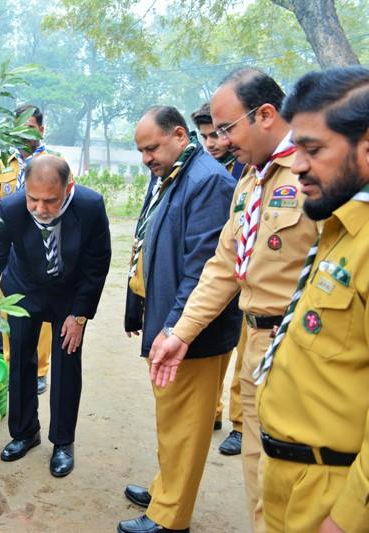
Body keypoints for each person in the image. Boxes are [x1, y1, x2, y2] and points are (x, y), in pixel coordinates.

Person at [149, 69, 319, 533]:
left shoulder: (314, 172)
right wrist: (180, 332)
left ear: (264, 115)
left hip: (300, 349)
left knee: (298, 482)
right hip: (256, 345)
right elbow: (224, 265)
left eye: (226, 128)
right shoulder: (249, 181)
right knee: (259, 474)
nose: (219, 141)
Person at [251, 65, 369, 533]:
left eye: (313, 150)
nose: (297, 165)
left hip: (334, 492)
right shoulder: (339, 225)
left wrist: (349, 516)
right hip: (289, 476)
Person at [118, 106, 241, 533]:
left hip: (191, 332)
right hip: (169, 320)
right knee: (171, 418)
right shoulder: (172, 173)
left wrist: (173, 326)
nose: (146, 158)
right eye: (140, 150)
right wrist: (138, 306)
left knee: (186, 425)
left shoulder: (208, 182)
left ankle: (170, 518)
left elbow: (204, 268)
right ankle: (165, 489)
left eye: (151, 148)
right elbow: (147, 240)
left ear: (178, 135)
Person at [0, 155, 111, 477]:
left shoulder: (90, 206)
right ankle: (25, 433)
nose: (39, 208)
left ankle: (63, 442)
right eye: (33, 199)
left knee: (66, 364)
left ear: (69, 188)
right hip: (24, 289)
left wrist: (79, 315)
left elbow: (97, 264)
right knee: (20, 360)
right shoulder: (11, 207)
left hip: (69, 294)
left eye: (50, 200)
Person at [0, 105, 59, 394]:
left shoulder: (56, 163)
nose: (24, 134)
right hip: (8, 251)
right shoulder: (1, 162)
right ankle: (12, 366)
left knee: (43, 313)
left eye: (30, 128)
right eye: (18, 128)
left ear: (42, 129)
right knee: (8, 311)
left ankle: (39, 370)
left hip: (42, 250)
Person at [191, 101, 246, 456]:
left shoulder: (247, 166)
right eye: (205, 136)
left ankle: (240, 423)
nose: (211, 143)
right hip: (215, 270)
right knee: (214, 346)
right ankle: (212, 410)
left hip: (247, 272)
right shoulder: (199, 167)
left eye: (217, 134)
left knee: (244, 350)